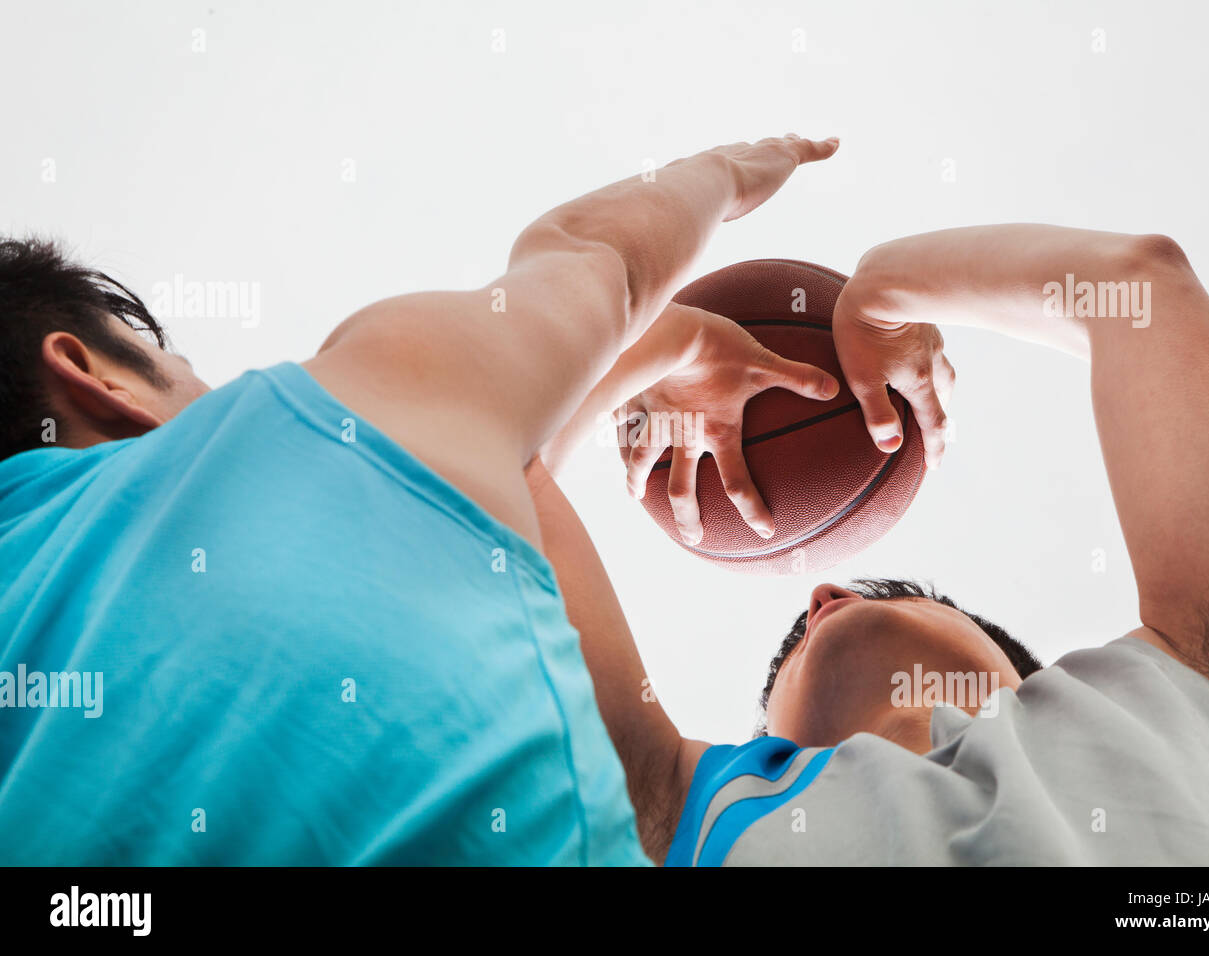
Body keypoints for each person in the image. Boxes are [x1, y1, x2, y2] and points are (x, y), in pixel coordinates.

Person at [0, 134, 838, 864]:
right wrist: (732, 170)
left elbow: (495, 487)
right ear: (95, 375)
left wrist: (674, 345)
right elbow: (593, 257)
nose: (214, 393)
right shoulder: (305, 426)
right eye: (182, 368)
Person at [531, 224, 1209, 864]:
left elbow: (1140, 289)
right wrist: (664, 350)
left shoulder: (1208, 684)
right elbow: (493, 472)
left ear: (1024, 673)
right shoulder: (668, 815)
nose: (821, 600)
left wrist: (884, 290)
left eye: (897, 591)